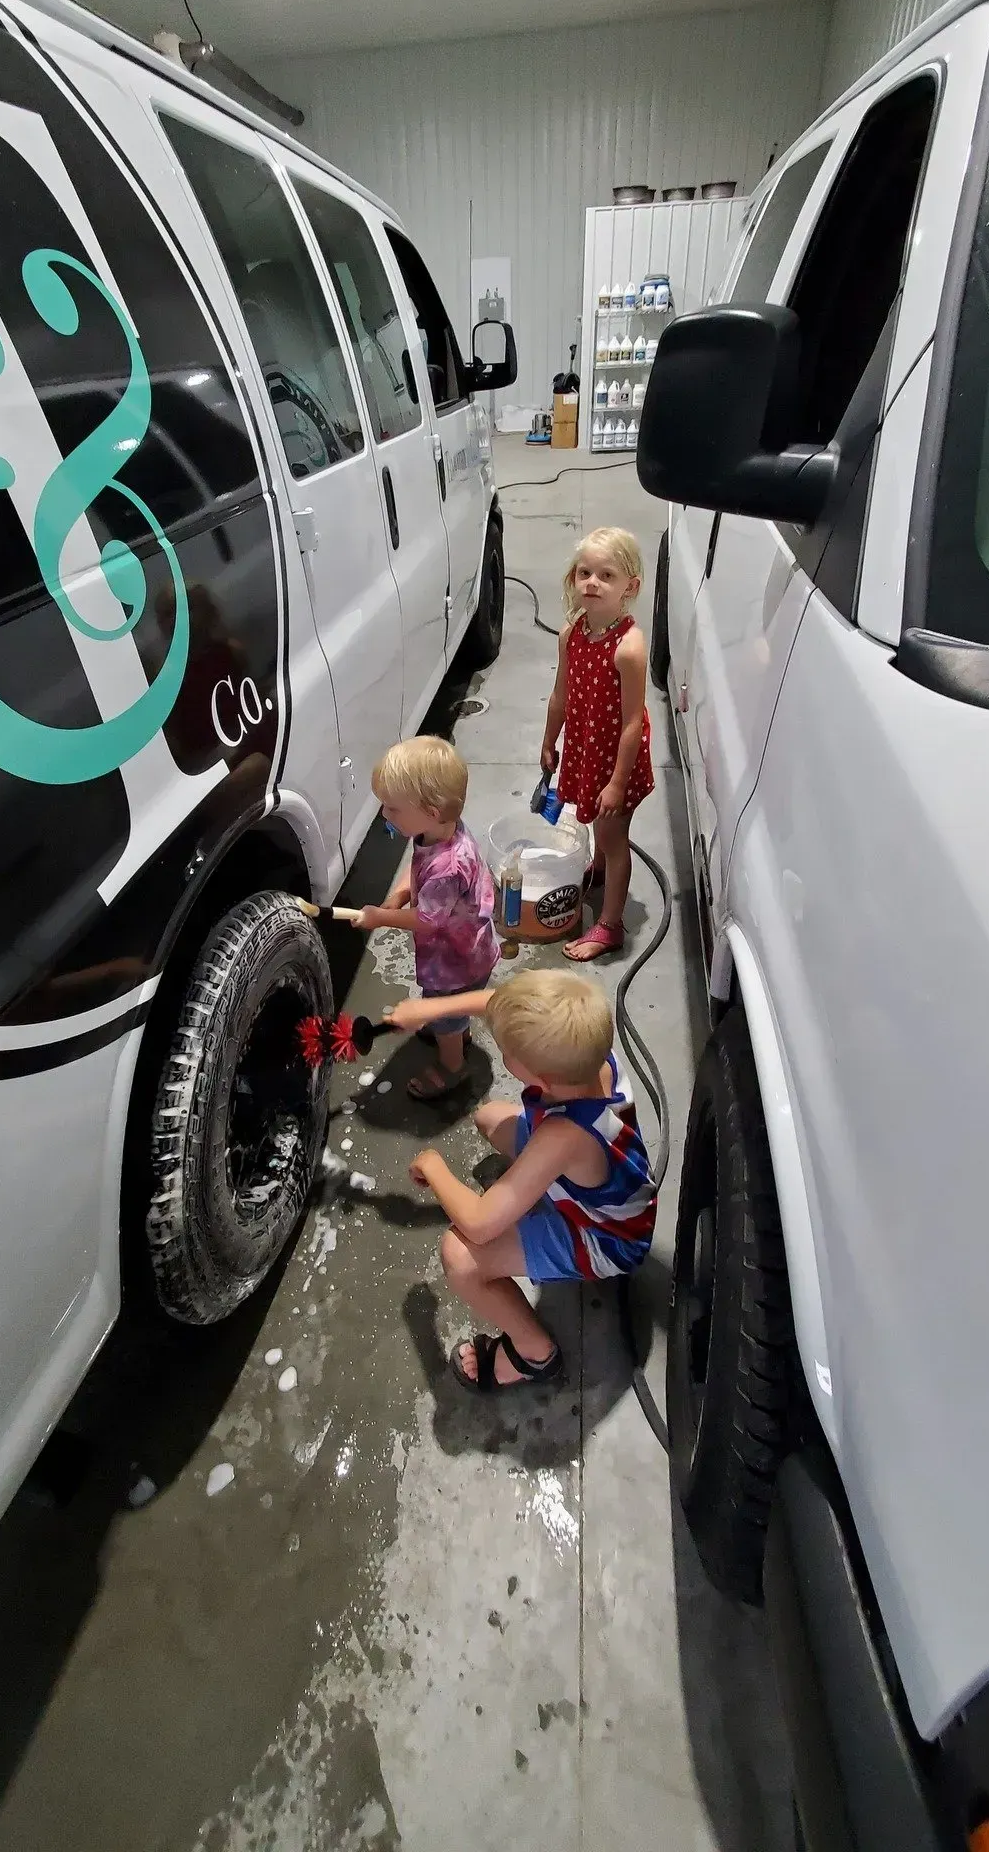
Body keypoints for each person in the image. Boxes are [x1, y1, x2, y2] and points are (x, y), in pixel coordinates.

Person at [388, 969, 655, 1393]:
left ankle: (534, 1353)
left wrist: (434, 1165)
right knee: (489, 1116)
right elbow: (506, 1005)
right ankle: (542, 1194)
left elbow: (478, 1222)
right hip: (605, 1180)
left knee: (460, 1253)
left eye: (507, 1051)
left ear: (540, 1080)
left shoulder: (562, 1137)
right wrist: (433, 1009)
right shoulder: (589, 1052)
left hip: (606, 1238)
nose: (500, 1046)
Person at [356, 736, 500, 1101]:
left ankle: (452, 1067)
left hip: (456, 960)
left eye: (391, 809)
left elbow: (427, 921)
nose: (385, 815)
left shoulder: (448, 867)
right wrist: (400, 894)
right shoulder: (438, 830)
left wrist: (381, 918)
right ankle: (454, 1028)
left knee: (446, 1017)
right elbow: (417, 868)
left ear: (430, 811)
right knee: (448, 1014)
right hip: (469, 945)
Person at [539, 526, 653, 961]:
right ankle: (599, 870)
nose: (592, 582)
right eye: (585, 572)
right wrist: (550, 740)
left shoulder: (629, 647)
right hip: (587, 750)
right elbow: (560, 695)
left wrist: (618, 783)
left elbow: (632, 725)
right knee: (593, 822)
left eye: (607, 575)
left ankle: (610, 925)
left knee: (612, 833)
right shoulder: (572, 635)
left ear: (630, 587)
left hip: (617, 761)